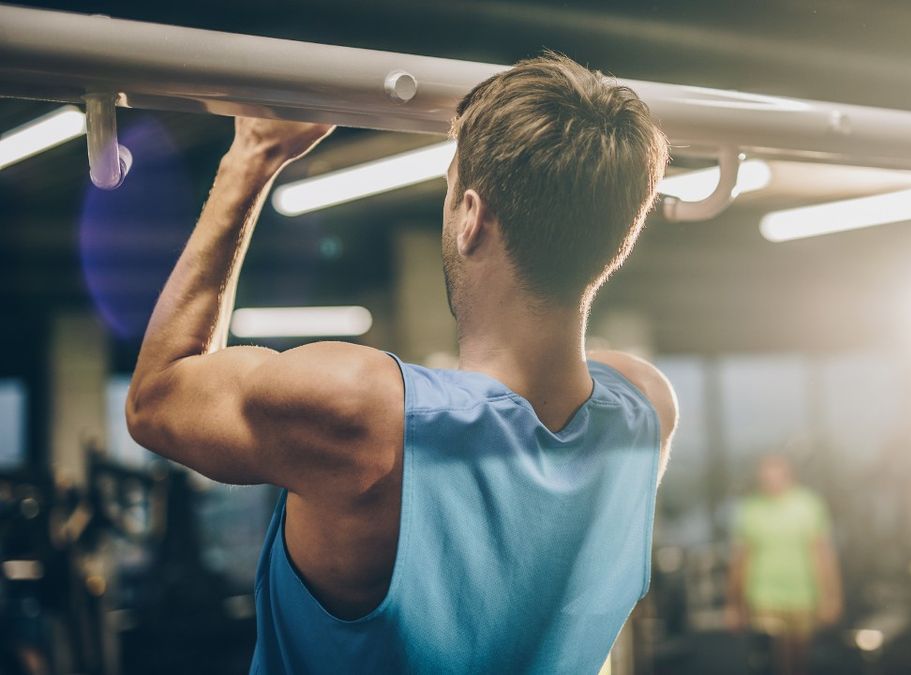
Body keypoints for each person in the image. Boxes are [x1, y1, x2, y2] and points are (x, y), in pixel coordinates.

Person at [124, 53, 678, 674]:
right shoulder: (646, 409)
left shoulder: (362, 412)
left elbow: (157, 398)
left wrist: (250, 160)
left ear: (470, 217)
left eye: (449, 188)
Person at [726, 453, 842, 675]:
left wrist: (832, 595)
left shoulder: (808, 505)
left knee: (799, 657)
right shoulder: (750, 509)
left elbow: (823, 553)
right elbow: (740, 559)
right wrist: (734, 603)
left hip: (803, 595)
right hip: (764, 597)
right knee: (774, 658)